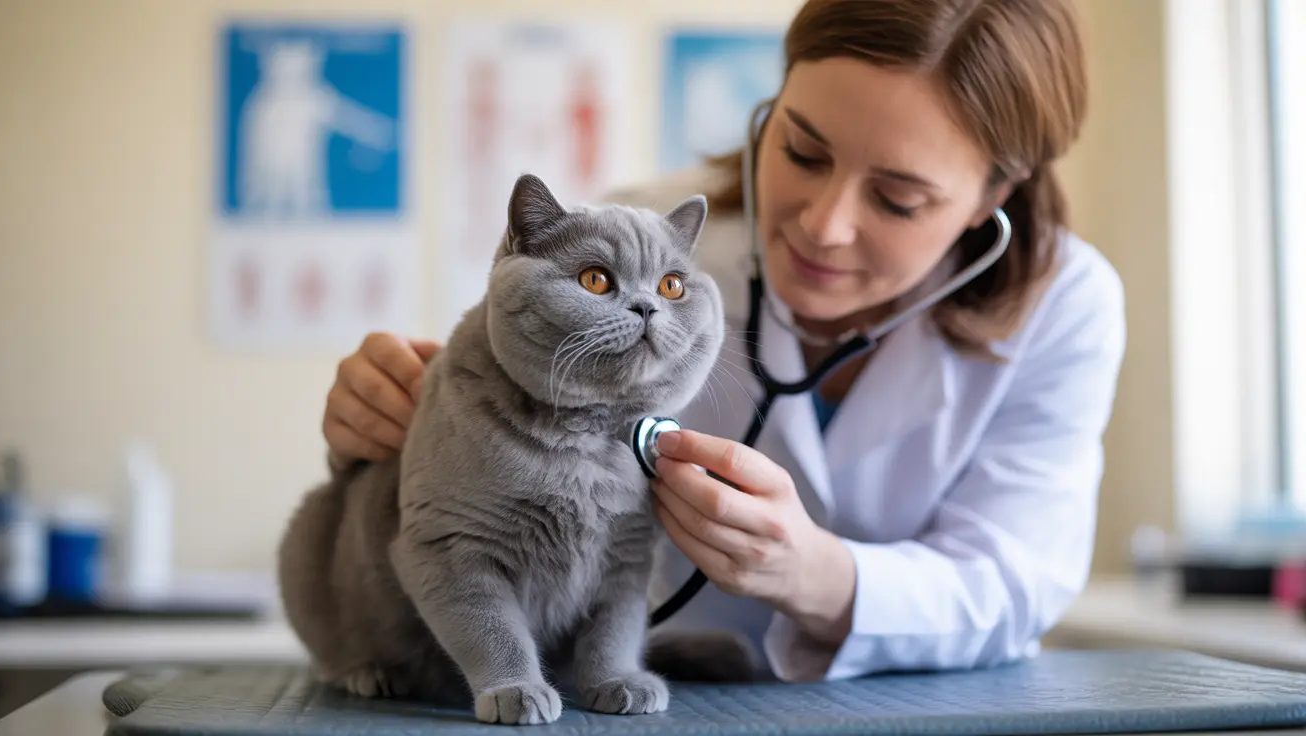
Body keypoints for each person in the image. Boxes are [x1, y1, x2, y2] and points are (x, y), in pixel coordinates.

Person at [320, 0, 1126, 683]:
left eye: (899, 199)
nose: (823, 225)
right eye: (803, 152)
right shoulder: (648, 242)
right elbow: (470, 473)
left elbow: (1019, 579)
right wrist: (381, 422)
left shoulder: (1066, 307)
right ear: (770, 111)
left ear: (995, 194)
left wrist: (818, 574)